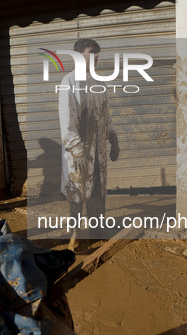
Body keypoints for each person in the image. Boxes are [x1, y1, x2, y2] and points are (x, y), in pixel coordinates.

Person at [58, 38, 120, 251]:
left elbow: (106, 115)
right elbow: (67, 123)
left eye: (98, 53)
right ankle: (75, 235)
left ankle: (97, 229)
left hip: (99, 149)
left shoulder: (100, 83)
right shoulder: (70, 82)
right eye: (92, 52)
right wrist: (77, 152)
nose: (97, 56)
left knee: (98, 189)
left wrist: (113, 138)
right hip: (79, 151)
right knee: (77, 191)